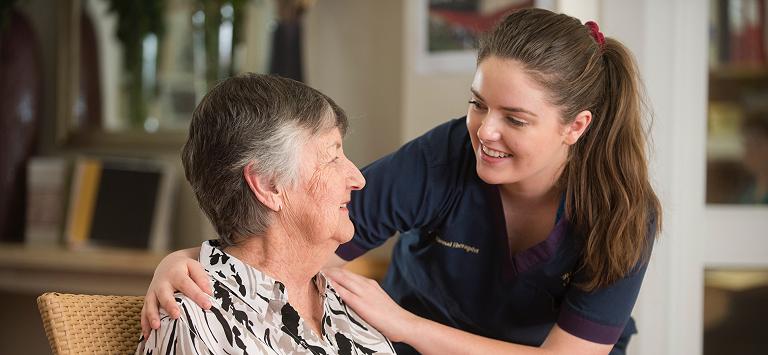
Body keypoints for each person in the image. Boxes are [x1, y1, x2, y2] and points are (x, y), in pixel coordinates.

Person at [141, 8, 661, 355]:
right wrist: (184, 263)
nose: (486, 132)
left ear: (576, 126)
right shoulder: (445, 157)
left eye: (516, 119)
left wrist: (402, 324)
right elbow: (288, 240)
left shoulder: (621, 212)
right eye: (477, 104)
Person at [136, 73, 395, 354]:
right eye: (332, 158)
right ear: (269, 184)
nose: (358, 178)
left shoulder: (354, 305)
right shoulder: (198, 323)